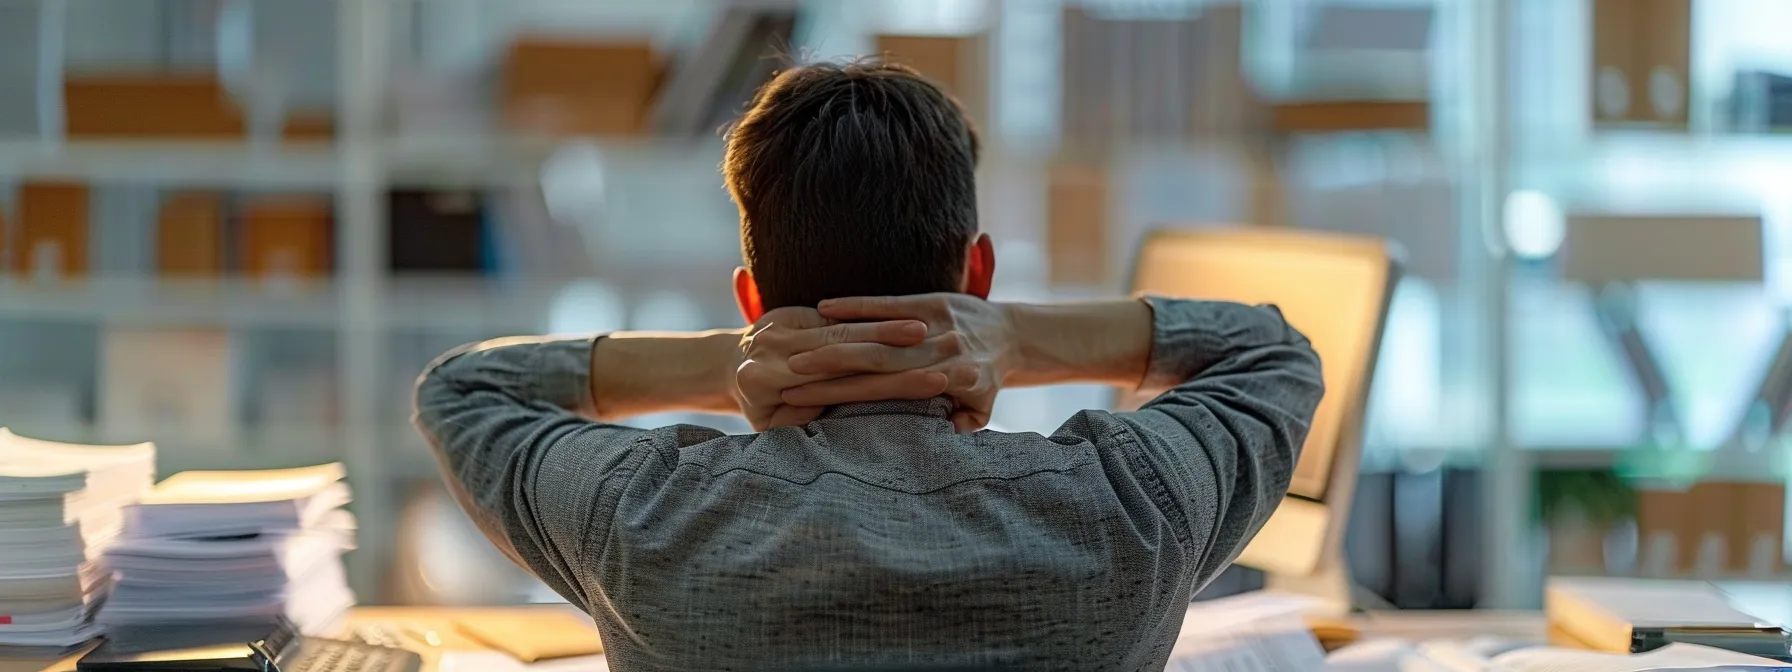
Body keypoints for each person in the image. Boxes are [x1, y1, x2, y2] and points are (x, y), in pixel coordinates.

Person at [413, 59, 1322, 671]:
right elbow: (1273, 353)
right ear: (979, 274)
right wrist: (1010, 337)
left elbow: (465, 387)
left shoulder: (642, 512)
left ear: (751, 301)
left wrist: (740, 362)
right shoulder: (1127, 504)